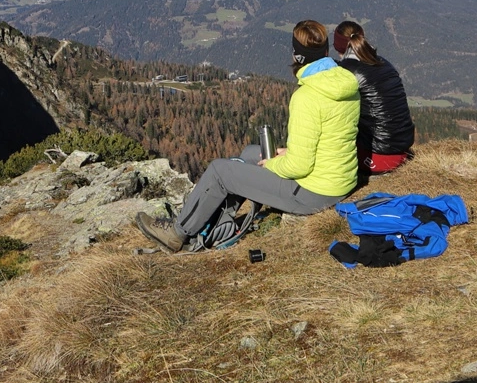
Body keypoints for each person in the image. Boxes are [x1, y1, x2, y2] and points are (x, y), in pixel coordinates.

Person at [134, 20, 361, 253]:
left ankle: (177, 232)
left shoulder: (307, 97)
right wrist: (283, 155)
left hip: (313, 194)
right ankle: (215, 221)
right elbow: (330, 139)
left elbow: (299, 165)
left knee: (220, 170)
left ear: (297, 56)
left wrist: (274, 164)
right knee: (251, 153)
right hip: (340, 181)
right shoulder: (345, 83)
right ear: (325, 52)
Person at [333, 20, 415, 175]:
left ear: (338, 46)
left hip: (377, 158)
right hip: (401, 149)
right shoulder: (383, 62)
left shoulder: (345, 73)